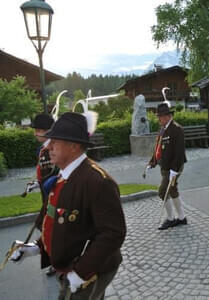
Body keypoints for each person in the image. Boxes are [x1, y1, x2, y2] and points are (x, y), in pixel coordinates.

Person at [11, 112, 126, 299]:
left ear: (73, 146)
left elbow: (113, 234)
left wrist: (80, 273)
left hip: (90, 271)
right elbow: (61, 225)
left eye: (55, 141)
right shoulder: (63, 176)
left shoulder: (98, 181)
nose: (49, 146)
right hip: (69, 268)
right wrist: (36, 247)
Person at [148, 103, 187, 230]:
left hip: (174, 167)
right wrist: (152, 162)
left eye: (161, 116)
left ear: (169, 116)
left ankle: (170, 219)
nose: (158, 119)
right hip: (165, 167)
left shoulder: (177, 129)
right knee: (173, 190)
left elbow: (179, 152)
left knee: (162, 191)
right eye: (158, 116)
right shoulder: (163, 129)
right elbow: (158, 148)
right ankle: (181, 218)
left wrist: (174, 170)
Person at [30, 113, 59, 276]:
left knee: (49, 227)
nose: (36, 133)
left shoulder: (53, 148)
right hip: (46, 195)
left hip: (53, 197)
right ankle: (55, 259)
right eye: (35, 130)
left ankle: (58, 260)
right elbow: (44, 172)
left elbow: (56, 173)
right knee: (47, 227)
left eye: (39, 130)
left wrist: (47, 182)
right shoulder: (43, 149)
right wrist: (37, 182)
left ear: (49, 131)